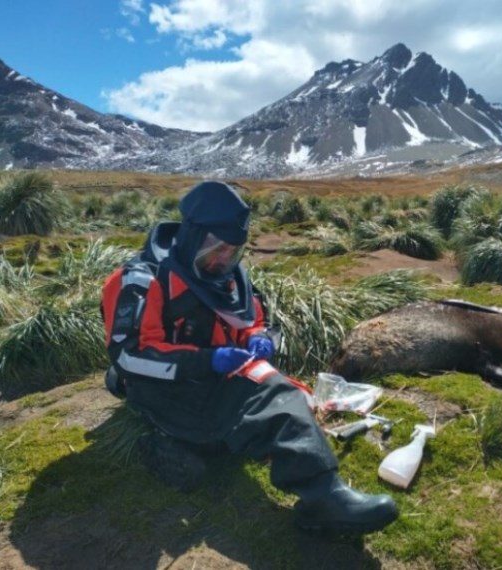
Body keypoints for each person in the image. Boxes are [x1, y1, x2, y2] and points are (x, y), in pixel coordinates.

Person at [100, 180, 398, 534]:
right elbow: (129, 356)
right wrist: (206, 360)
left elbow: (257, 321)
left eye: (234, 251)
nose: (225, 258)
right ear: (193, 235)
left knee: (287, 395)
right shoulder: (140, 282)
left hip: (212, 380)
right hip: (161, 387)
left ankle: (199, 442)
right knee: (270, 392)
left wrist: (260, 338)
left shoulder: (227, 276)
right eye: (218, 248)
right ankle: (324, 497)